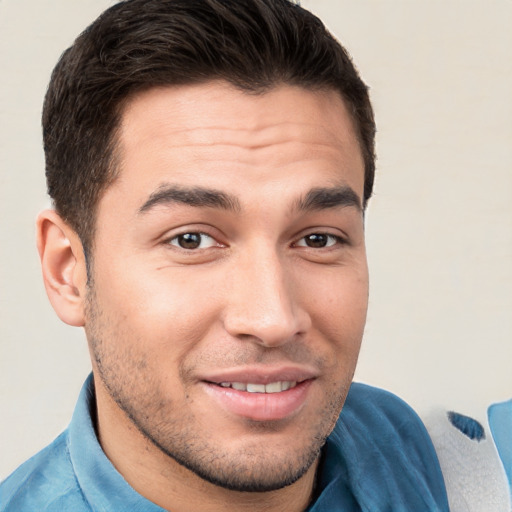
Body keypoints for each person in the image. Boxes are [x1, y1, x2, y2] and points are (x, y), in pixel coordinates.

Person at [0, 0, 450, 510]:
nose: (273, 319)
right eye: (190, 240)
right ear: (68, 271)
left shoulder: (442, 464)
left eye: (317, 239)